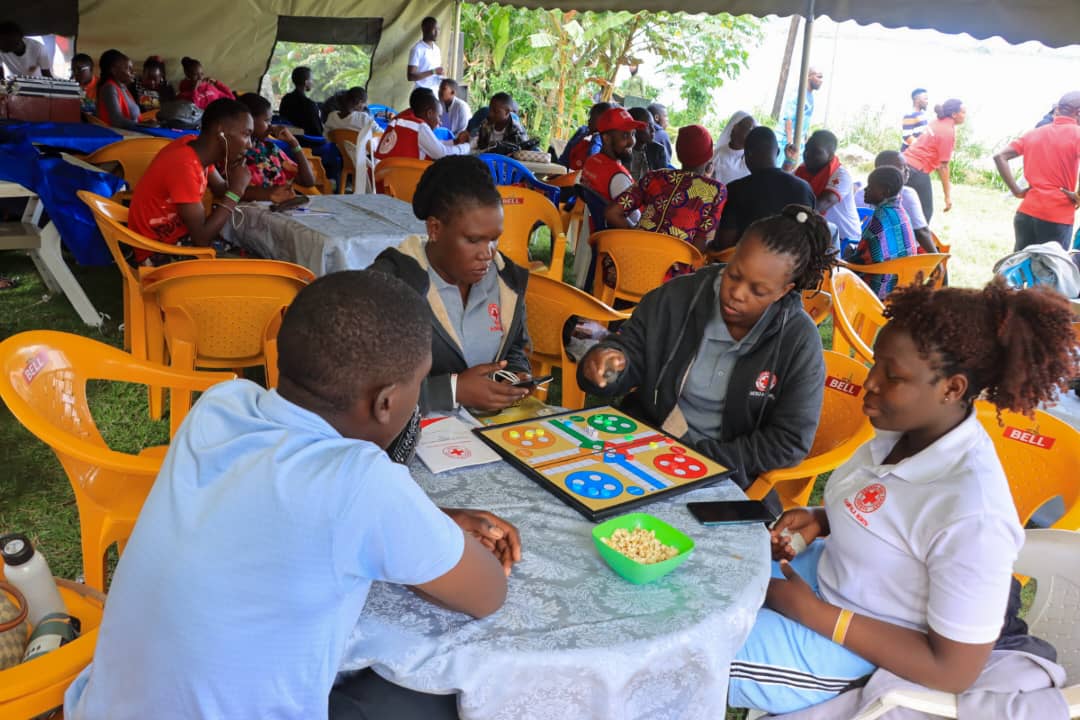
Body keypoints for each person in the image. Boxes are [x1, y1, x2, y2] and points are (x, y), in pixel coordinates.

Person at [64, 269, 520, 720]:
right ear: (385, 403)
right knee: (427, 701)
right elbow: (487, 593)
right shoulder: (363, 483)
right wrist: (416, 527)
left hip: (104, 708)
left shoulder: (220, 407)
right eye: (418, 384)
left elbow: (272, 508)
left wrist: (426, 517)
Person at [728, 279, 1078, 716]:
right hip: (823, 580)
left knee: (685, 650)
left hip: (857, 648)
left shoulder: (973, 514)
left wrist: (814, 614)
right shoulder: (900, 434)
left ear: (952, 388)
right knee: (697, 582)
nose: (870, 382)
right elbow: (895, 513)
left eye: (892, 376)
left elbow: (952, 671)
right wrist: (823, 517)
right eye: (875, 362)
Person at [579, 205, 835, 506]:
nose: (737, 293)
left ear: (783, 291)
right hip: (646, 446)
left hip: (728, 475)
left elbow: (789, 441)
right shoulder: (676, 297)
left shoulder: (797, 340)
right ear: (731, 257)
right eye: (734, 275)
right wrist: (609, 364)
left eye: (758, 290)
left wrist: (701, 460)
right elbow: (632, 350)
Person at [370, 156, 533, 414]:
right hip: (412, 429)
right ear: (434, 229)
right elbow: (366, 389)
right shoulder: (392, 284)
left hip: (488, 426)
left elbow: (514, 347)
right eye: (474, 240)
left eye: (494, 239)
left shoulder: (506, 282)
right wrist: (453, 390)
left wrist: (513, 376)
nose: (487, 253)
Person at [128, 98, 253, 265]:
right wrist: (236, 191)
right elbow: (201, 239)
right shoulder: (184, 164)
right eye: (246, 134)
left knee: (250, 252)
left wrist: (269, 194)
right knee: (252, 266)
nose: (250, 145)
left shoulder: (195, 147)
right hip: (158, 252)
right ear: (221, 131)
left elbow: (220, 189)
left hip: (180, 239)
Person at [606, 124, 727, 252]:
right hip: (672, 263)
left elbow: (612, 213)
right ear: (709, 156)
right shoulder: (716, 191)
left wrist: (635, 235)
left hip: (630, 257)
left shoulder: (655, 177)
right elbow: (699, 245)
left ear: (679, 153)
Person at [993, 91, 1080, 252]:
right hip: (1057, 214)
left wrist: (1017, 191)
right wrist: (1078, 195)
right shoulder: (1077, 134)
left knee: (1021, 263)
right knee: (1051, 265)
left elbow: (1000, 156)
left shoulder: (1035, 133)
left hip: (1026, 212)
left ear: (1059, 109)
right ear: (1078, 112)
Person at [714, 127, 817, 250]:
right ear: (777, 152)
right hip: (796, 259)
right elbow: (812, 236)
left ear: (748, 154)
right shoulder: (804, 188)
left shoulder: (735, 190)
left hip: (748, 259)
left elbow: (725, 242)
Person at [845, 167, 918, 299]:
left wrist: (844, 260)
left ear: (885, 191)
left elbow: (860, 260)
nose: (866, 190)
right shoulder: (900, 212)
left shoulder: (880, 218)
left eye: (871, 187)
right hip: (899, 284)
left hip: (877, 287)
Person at [236, 93, 317, 202]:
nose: (271, 126)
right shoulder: (233, 152)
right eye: (266, 121)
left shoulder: (270, 149)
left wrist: (294, 143)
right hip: (247, 210)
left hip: (277, 208)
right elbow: (228, 191)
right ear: (248, 120)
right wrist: (268, 194)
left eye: (271, 121)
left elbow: (308, 181)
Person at [855, 150, 936, 253]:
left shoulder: (862, 196)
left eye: (907, 166)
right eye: (902, 167)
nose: (907, 170)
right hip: (903, 256)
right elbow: (921, 232)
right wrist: (938, 258)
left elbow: (921, 233)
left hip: (883, 257)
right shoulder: (902, 200)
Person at [794, 130, 862, 246]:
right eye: (807, 149)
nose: (808, 154)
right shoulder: (804, 169)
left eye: (816, 152)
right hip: (819, 234)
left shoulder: (841, 175)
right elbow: (786, 185)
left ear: (830, 155)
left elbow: (820, 206)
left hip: (844, 241)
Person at [903, 98, 966, 222]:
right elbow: (943, 167)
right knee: (924, 214)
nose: (965, 116)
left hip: (903, 163)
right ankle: (913, 235)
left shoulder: (935, 122)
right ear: (954, 114)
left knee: (900, 207)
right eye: (963, 112)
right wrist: (947, 196)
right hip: (916, 171)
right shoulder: (948, 132)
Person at [374, 88, 470, 162]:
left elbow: (432, 144)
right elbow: (441, 154)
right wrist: (467, 147)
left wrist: (455, 142)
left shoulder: (402, 118)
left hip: (382, 175)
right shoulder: (419, 127)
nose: (440, 122)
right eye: (439, 117)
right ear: (429, 113)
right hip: (397, 179)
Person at [581, 107, 641, 205]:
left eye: (633, 134)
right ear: (606, 138)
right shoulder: (618, 177)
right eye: (625, 135)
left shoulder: (591, 161)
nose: (632, 141)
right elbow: (635, 214)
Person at [776, 66, 824, 168]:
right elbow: (788, 120)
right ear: (809, 76)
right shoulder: (797, 94)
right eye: (819, 77)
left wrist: (806, 143)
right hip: (786, 142)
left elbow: (805, 123)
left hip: (799, 144)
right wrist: (790, 143)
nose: (821, 81)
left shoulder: (810, 97)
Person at [95, 49, 141, 130]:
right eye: (128, 68)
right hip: (119, 135)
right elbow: (117, 121)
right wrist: (143, 126)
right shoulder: (109, 88)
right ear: (114, 70)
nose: (132, 72)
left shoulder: (123, 87)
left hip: (132, 132)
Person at [559, 101, 610, 170]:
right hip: (565, 172)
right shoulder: (582, 131)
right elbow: (564, 157)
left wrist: (596, 137)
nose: (589, 121)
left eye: (593, 118)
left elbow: (592, 163)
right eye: (590, 117)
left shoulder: (604, 143)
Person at [712, 110, 756, 185]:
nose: (754, 133)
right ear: (735, 127)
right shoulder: (716, 155)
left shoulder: (754, 159)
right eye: (750, 129)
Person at [626, 107, 669, 181]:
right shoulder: (622, 151)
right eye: (648, 126)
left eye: (653, 125)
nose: (653, 130)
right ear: (634, 127)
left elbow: (663, 181)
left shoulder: (658, 150)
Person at [278, 66, 322, 136]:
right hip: (308, 140)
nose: (312, 82)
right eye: (311, 80)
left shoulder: (285, 99)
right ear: (306, 82)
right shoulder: (309, 105)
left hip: (287, 136)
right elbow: (318, 132)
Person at [408, 16, 443, 91]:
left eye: (438, 29)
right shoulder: (417, 49)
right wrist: (433, 71)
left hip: (436, 91)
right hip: (422, 92)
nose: (437, 32)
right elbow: (410, 76)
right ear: (424, 29)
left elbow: (436, 71)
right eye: (434, 29)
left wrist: (440, 74)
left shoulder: (437, 49)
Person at [901, 88, 929, 152]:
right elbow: (907, 136)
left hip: (918, 153)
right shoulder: (910, 115)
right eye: (925, 99)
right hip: (909, 154)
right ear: (917, 100)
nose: (927, 102)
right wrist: (921, 148)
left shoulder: (922, 114)